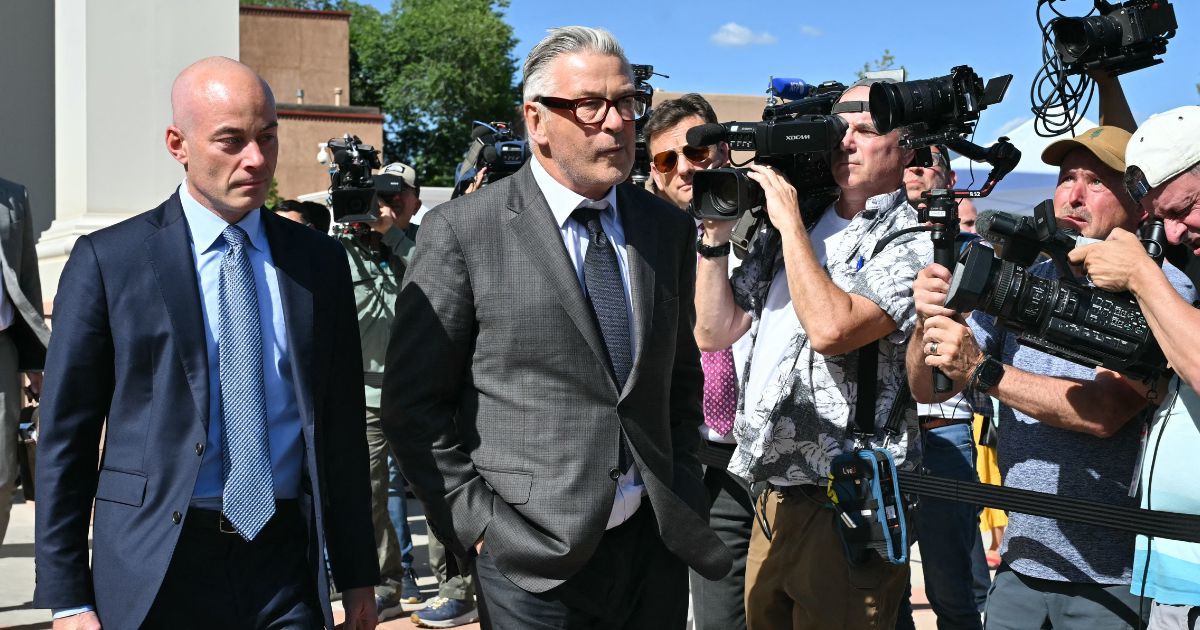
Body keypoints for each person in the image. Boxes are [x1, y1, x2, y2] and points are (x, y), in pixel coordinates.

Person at [384, 26, 731, 629]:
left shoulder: (663, 228)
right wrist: (481, 528)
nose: (618, 122)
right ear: (536, 120)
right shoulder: (463, 233)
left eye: (626, 102)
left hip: (652, 545)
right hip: (530, 561)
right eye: (591, 105)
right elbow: (415, 407)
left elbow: (676, 375)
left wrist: (678, 482)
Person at [32, 56, 378, 630]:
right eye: (231, 141)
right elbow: (66, 436)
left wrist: (358, 570)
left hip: (285, 563)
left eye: (268, 137)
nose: (257, 159)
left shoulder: (318, 262)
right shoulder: (109, 261)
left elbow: (338, 427)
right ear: (178, 143)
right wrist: (69, 597)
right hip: (158, 564)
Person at [910, 124, 1194, 629]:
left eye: (1096, 181)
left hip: (1111, 575)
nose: (1074, 194)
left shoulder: (1163, 288)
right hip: (1021, 561)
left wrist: (983, 370)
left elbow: (1105, 410)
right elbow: (932, 386)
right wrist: (930, 321)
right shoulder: (1029, 279)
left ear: (1139, 201)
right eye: (1066, 178)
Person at [694, 77, 932, 629]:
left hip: (848, 498)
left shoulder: (914, 237)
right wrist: (713, 238)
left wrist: (791, 224)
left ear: (907, 149)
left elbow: (832, 328)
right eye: (838, 128)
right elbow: (715, 330)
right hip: (774, 491)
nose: (846, 141)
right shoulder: (794, 226)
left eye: (867, 130)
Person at [1068, 104, 1200, 629]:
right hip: (1177, 570)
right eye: (1160, 218)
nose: (1172, 233)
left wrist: (1143, 277)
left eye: (1184, 207)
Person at [643, 93, 749, 630]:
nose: (685, 167)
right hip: (682, 451)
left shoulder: (772, 226)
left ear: (723, 150)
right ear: (655, 174)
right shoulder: (638, 244)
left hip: (763, 452)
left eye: (697, 152)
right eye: (667, 160)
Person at [897, 143, 992, 630]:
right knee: (884, 588)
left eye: (922, 163)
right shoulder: (876, 238)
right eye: (905, 163)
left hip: (943, 431)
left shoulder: (974, 251)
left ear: (947, 178)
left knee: (951, 589)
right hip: (883, 439)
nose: (912, 174)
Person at [335, 162, 423, 621]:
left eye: (396, 199)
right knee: (369, 496)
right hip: (366, 397)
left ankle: (458, 585)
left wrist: (393, 236)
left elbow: (434, 273)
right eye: (378, 198)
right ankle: (387, 581)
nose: (385, 207)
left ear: (416, 203)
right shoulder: (343, 251)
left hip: (419, 395)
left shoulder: (426, 242)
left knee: (436, 491)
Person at [0, 176, 51, 545]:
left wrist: (36, 359)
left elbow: (27, 277)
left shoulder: (14, 197)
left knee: (3, 474)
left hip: (3, 346)